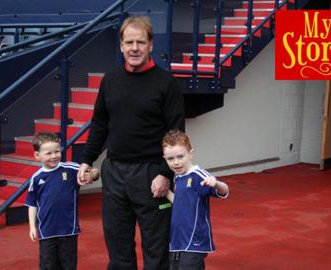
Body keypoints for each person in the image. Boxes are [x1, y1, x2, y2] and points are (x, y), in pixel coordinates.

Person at [77, 15, 185, 270]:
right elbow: (99, 124)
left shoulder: (166, 83)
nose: (134, 48)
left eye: (140, 42)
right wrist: (86, 160)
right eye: (129, 42)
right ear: (121, 46)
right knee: (118, 245)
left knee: (156, 247)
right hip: (114, 172)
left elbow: (176, 133)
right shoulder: (110, 80)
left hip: (151, 174)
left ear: (150, 46)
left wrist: (164, 173)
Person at [25, 132, 99, 270]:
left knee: (68, 265)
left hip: (68, 230)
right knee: (48, 265)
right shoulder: (36, 178)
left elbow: (94, 171)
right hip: (46, 232)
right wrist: (32, 226)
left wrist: (91, 175)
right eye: (48, 153)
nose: (54, 156)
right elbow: (32, 204)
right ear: (37, 155)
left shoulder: (71, 169)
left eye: (57, 151)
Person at [161, 130, 229, 270]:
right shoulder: (179, 177)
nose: (176, 162)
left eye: (180, 157)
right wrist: (165, 192)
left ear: (191, 154)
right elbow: (180, 202)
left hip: (195, 241)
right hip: (177, 239)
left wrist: (216, 183)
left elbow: (225, 191)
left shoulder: (199, 175)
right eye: (170, 159)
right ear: (165, 158)